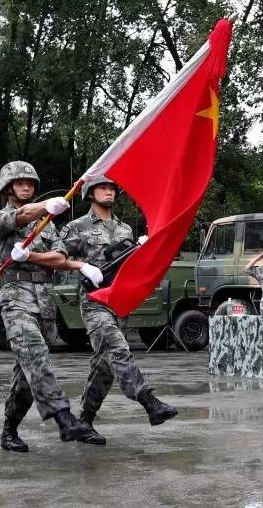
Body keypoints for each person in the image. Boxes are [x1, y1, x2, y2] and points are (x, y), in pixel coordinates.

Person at [58, 175, 177, 446]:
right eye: (103, 187)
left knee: (105, 367)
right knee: (118, 348)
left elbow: (132, 268)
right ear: (90, 193)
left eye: (112, 188)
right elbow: (57, 257)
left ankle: (83, 422)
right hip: (93, 301)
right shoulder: (78, 227)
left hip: (118, 302)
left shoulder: (124, 230)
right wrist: (82, 267)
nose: (109, 191)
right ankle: (149, 402)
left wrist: (143, 249)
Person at [0, 160, 92, 452]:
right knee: (36, 355)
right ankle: (63, 417)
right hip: (15, 300)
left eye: (30, 183)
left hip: (45, 302)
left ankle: (9, 430)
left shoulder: (47, 225)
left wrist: (29, 256)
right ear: (7, 187)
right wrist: (47, 205)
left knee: (27, 373)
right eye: (20, 182)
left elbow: (59, 258)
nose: (26, 186)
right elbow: (19, 216)